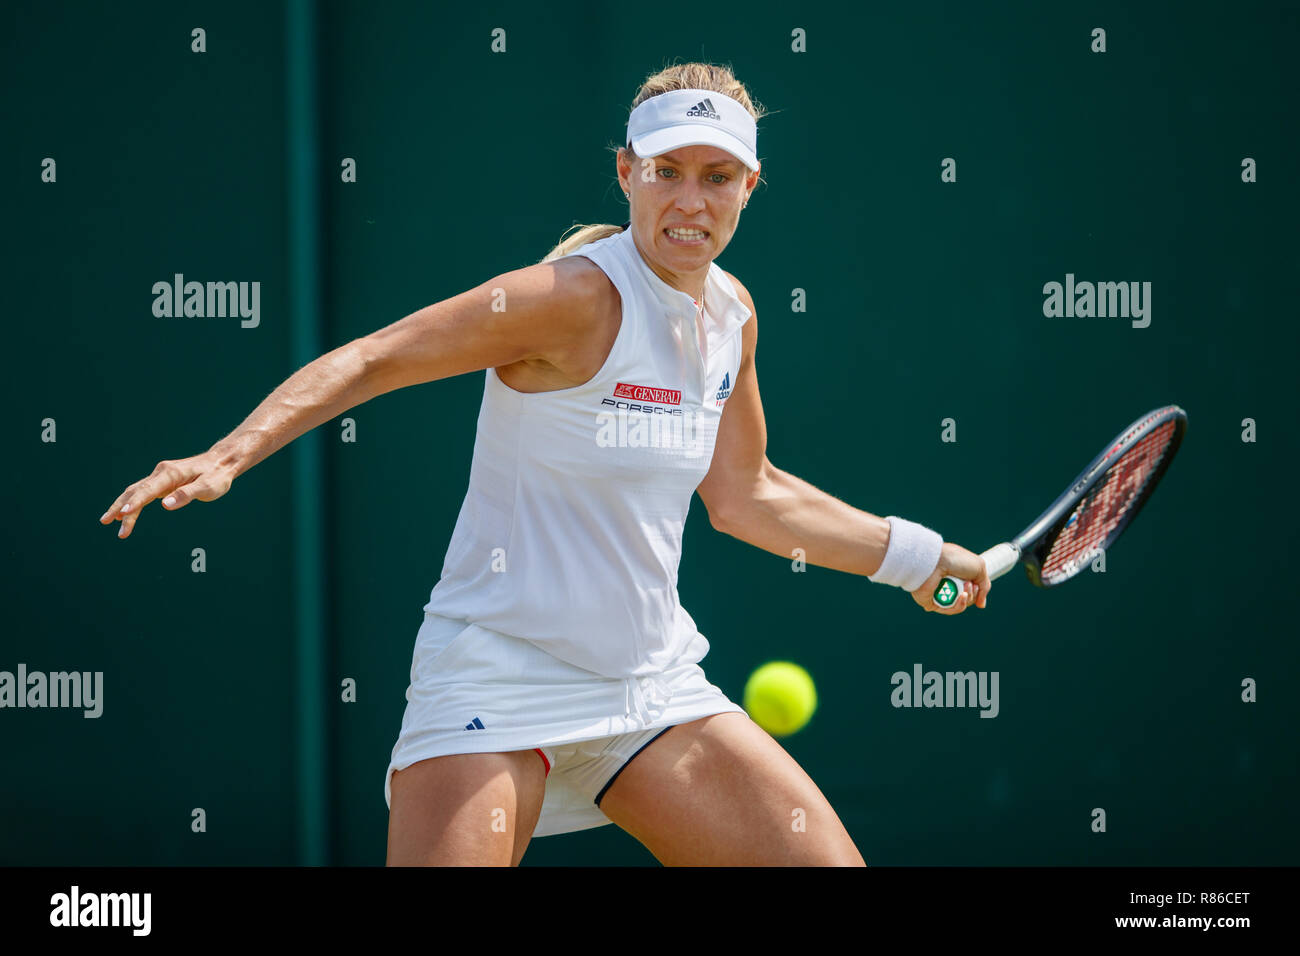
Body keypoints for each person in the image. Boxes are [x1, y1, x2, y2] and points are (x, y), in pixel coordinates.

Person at [99, 62, 992, 867]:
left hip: (650, 684)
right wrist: (227, 455)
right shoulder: (570, 299)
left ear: (750, 187)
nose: (690, 200)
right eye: (665, 171)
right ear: (625, 173)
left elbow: (748, 494)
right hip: (498, 669)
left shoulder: (734, 315)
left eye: (716, 177)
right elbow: (378, 356)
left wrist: (915, 557)